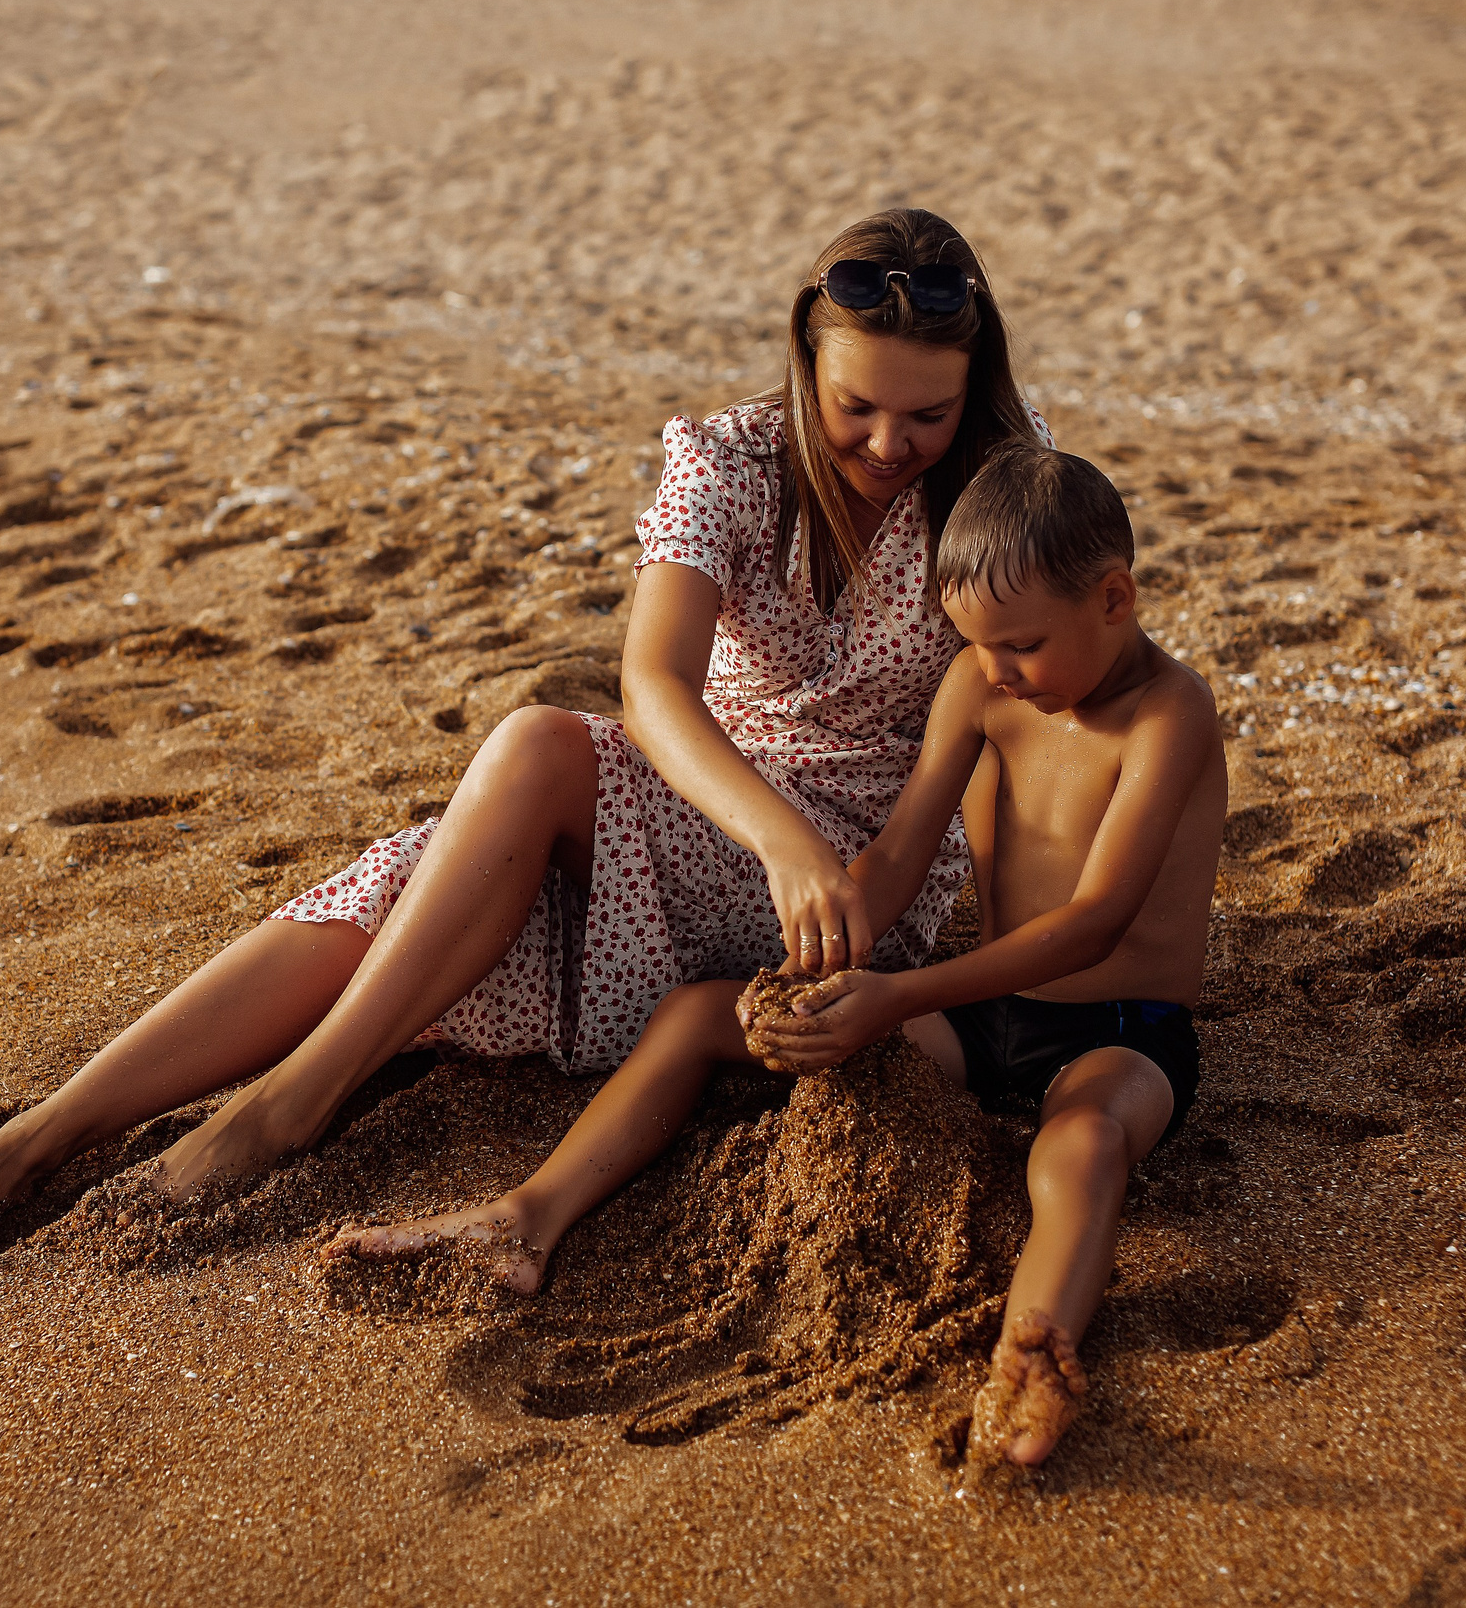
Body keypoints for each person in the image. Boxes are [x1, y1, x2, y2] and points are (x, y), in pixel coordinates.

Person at [0, 207, 1054, 1282]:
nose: (891, 443)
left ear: (973, 391)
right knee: (414, 876)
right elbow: (653, 684)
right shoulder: (730, 460)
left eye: (926, 414)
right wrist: (771, 831)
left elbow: (1021, 724)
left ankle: (290, 1103)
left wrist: (966, 942)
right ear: (804, 367)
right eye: (856, 407)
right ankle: (44, 1133)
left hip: (847, 881)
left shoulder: (1004, 485)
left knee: (536, 750)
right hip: (729, 811)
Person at [329, 441, 1226, 1469]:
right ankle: (524, 1218)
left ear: (1114, 598)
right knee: (697, 1017)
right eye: (976, 646)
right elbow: (892, 861)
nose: (995, 669)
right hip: (983, 1017)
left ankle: (1035, 1349)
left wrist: (893, 998)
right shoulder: (983, 690)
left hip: (1117, 1029)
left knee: (1081, 1144)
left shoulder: (1168, 714)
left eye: (1019, 645)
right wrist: (827, 960)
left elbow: (1095, 922)